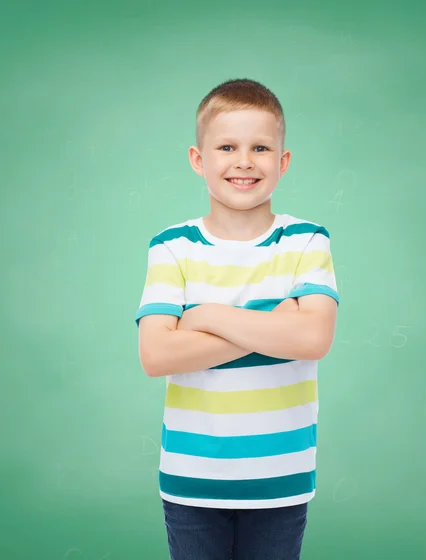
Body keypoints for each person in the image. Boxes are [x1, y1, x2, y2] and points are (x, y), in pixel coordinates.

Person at [135, 78, 339, 560]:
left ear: (282, 161)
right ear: (198, 159)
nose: (244, 161)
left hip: (281, 476)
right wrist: (275, 323)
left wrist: (205, 318)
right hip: (193, 477)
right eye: (227, 146)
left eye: (260, 147)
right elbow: (156, 354)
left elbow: (313, 338)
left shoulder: (308, 241)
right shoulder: (171, 246)